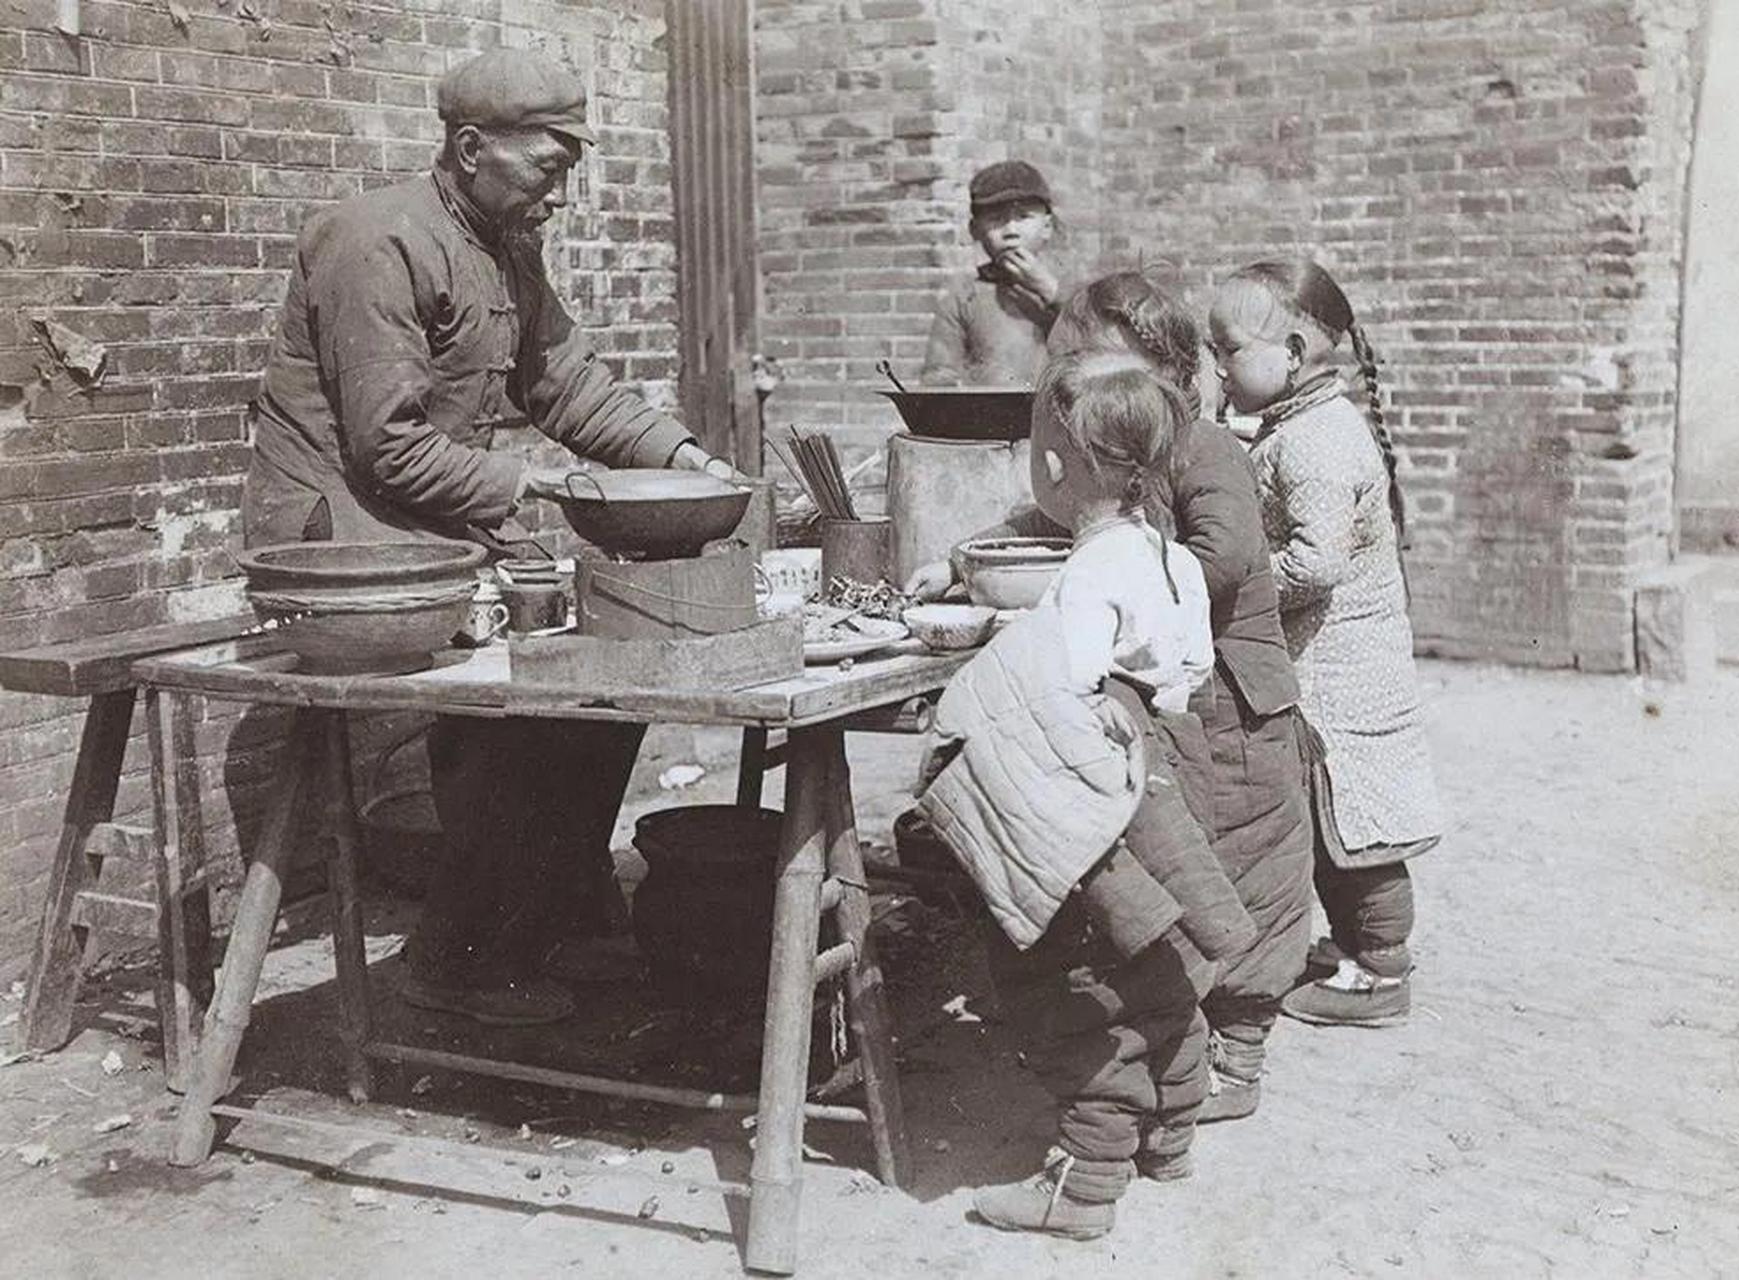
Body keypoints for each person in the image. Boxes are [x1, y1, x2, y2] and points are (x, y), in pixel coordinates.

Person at [242, 48, 742, 1027]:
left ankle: (530, 930)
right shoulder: (375, 242)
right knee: (528, 697)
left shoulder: (505, 239)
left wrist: (687, 459)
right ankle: (453, 960)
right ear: (471, 148)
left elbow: (565, 383)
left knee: (605, 682)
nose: (559, 188)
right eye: (545, 164)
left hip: (420, 530)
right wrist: (534, 480)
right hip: (335, 546)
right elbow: (385, 447)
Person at [907, 272, 1313, 1125]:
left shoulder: (1209, 454)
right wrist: (956, 564)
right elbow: (1036, 521)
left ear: (1160, 373)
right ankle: (1180, 1044)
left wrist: (1114, 583)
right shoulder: (1103, 450)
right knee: (1176, 865)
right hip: (1161, 700)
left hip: (1231, 700)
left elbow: (1228, 556)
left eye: (1087, 365)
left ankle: (1237, 1051)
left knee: (1240, 868)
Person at [919, 355, 1246, 1239]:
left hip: (1097, 796)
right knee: (1160, 964)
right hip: (1163, 774)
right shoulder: (1168, 555)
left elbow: (1061, 687)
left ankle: (1084, 1183)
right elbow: (1186, 668)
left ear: (1055, 465)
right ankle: (1169, 1134)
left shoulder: (1092, 572)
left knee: (1075, 978)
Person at [1207, 257, 1443, 1027]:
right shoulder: (1301, 426)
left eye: (1228, 350)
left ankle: (1379, 971)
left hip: (1342, 675)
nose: (1217, 366)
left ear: (1296, 354)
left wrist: (1236, 582)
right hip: (1331, 666)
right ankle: (1351, 956)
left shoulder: (1315, 442)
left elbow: (1316, 560)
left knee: (1355, 827)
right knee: (1329, 818)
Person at [919, 160, 1067, 386]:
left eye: (1023, 217)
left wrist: (1050, 289)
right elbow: (937, 379)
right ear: (975, 229)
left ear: (1047, 226)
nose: (1011, 231)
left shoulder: (1075, 289)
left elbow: (1105, 341)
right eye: (996, 219)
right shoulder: (964, 299)